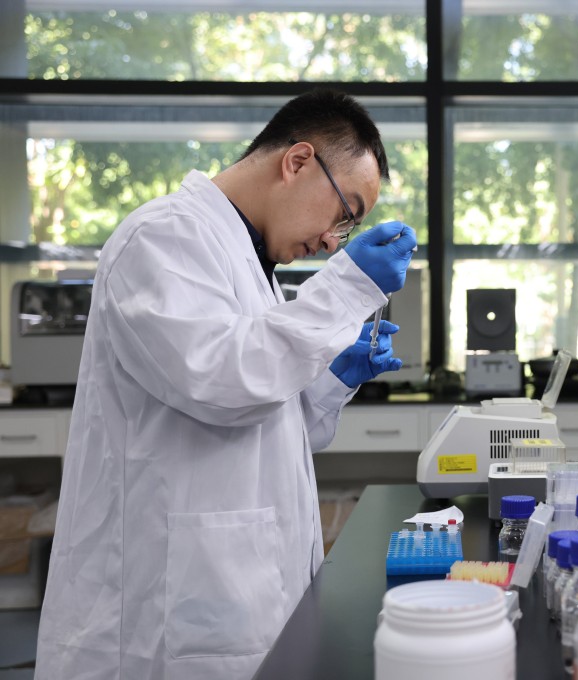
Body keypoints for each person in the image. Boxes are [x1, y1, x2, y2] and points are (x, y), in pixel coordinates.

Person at [35, 89, 417, 680]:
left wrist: (330, 382)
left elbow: (269, 430)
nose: (332, 241)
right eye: (345, 213)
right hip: (167, 611)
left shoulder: (252, 265)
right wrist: (344, 288)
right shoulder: (162, 239)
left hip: (233, 593)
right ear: (297, 162)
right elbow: (220, 382)